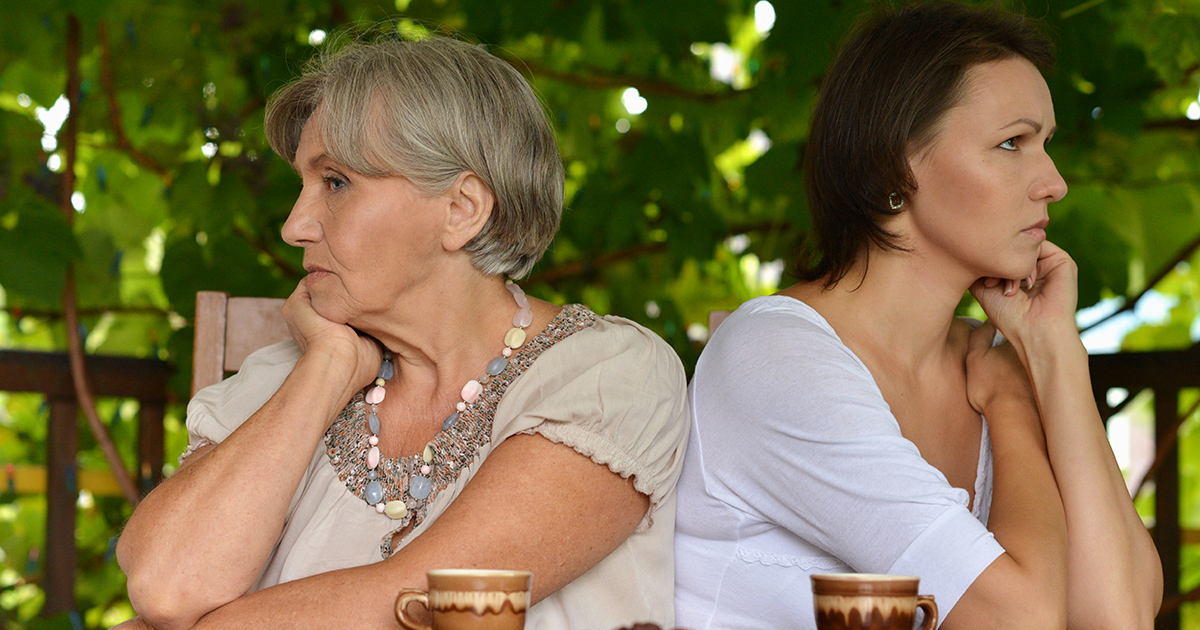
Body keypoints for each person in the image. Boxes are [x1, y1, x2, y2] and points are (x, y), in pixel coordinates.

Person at [116, 33, 689, 630]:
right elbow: (166, 586)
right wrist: (327, 368)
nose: (294, 226)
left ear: (462, 209)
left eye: (335, 182)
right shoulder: (290, 373)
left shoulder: (607, 377)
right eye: (301, 186)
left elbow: (414, 605)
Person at [674, 3, 1162, 629]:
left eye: (1046, 144)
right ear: (893, 169)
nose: (1054, 182)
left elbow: (1119, 615)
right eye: (1011, 143)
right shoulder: (776, 359)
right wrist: (1013, 406)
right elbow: (1019, 621)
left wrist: (1054, 350)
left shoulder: (992, 359)